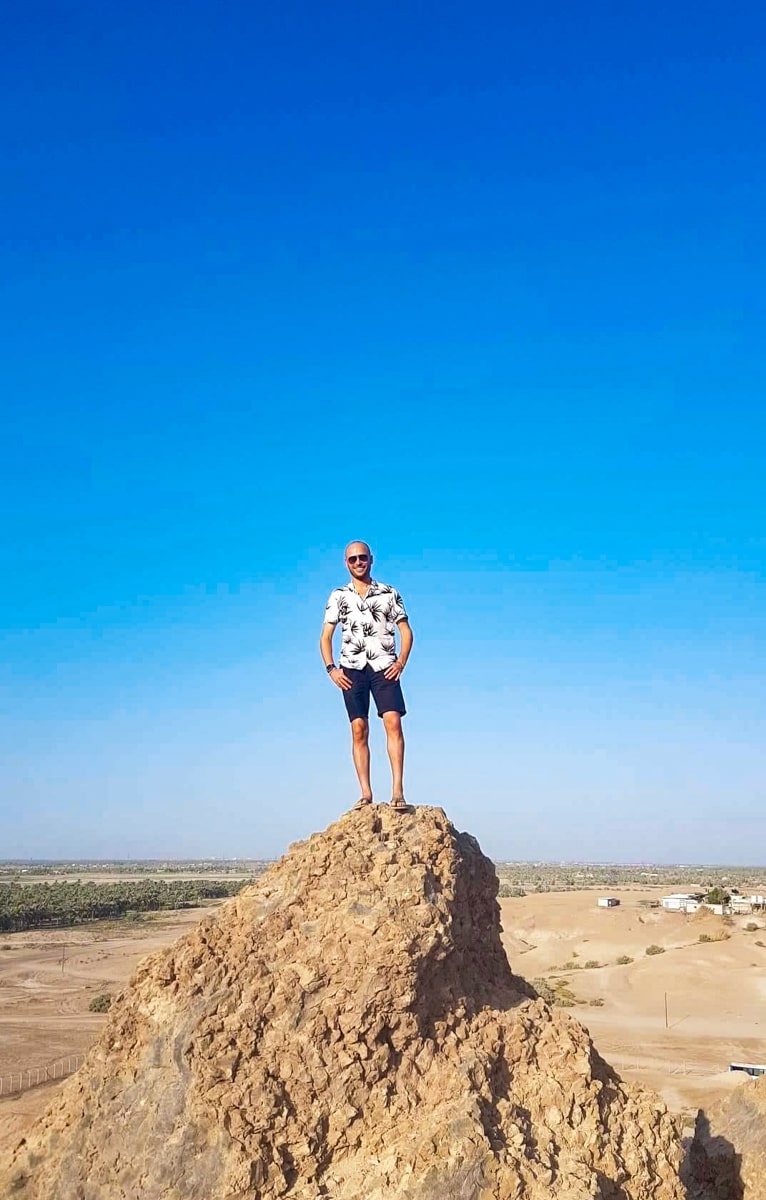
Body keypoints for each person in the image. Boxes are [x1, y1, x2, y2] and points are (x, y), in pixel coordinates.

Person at [320, 541, 414, 811]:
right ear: (346, 563)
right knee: (358, 728)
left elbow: (406, 631)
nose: (358, 562)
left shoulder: (389, 593)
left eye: (362, 557)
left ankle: (398, 790)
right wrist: (331, 669)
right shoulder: (338, 596)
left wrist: (401, 662)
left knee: (393, 722)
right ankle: (365, 793)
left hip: (384, 665)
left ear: (371, 559)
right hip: (351, 668)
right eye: (353, 559)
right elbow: (325, 637)